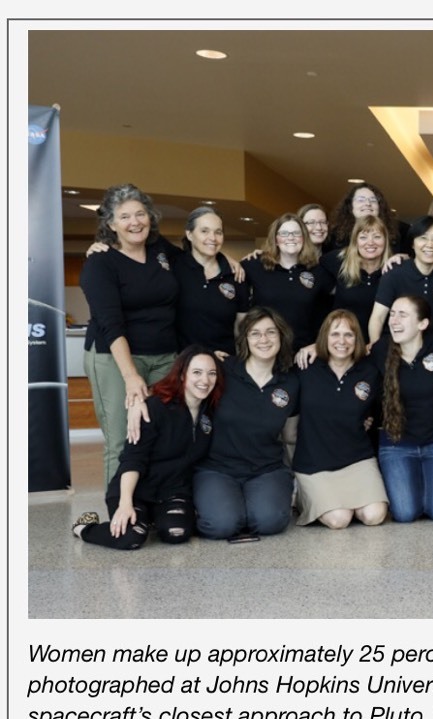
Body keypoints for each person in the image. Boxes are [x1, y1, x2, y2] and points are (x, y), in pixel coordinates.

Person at [79, 183, 180, 488]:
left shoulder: (161, 249)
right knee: (124, 437)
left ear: (150, 217)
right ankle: (119, 509)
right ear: (111, 224)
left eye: (140, 214)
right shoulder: (100, 262)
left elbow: (196, 262)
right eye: (124, 217)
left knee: (161, 434)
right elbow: (110, 324)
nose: (135, 222)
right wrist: (131, 376)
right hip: (115, 359)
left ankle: (153, 504)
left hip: (164, 356)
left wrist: (229, 261)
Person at [73, 347, 221, 550]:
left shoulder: (211, 411)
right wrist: (125, 503)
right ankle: (84, 527)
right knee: (131, 537)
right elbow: (133, 459)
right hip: (136, 490)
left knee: (177, 533)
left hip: (173, 490)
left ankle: (153, 519)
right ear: (181, 374)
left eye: (211, 373)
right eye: (197, 372)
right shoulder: (155, 408)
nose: (205, 380)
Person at [189, 307, 299, 540]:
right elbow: (184, 388)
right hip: (217, 468)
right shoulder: (223, 369)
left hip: (267, 469)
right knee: (221, 525)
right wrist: (142, 402)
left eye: (271, 332)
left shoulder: (291, 381)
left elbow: (290, 434)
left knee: (270, 521)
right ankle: (225, 507)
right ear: (245, 339)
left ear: (282, 336)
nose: (263, 339)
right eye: (255, 333)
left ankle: (246, 508)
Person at [292, 309, 388, 529]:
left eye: (348, 335)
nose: (342, 341)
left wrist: (370, 418)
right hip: (314, 464)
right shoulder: (305, 367)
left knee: (374, 515)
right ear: (324, 337)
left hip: (358, 460)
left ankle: (342, 502)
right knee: (339, 519)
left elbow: (380, 407)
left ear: (357, 339)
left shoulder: (370, 370)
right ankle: (302, 497)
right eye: (335, 334)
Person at [374, 295, 433, 523]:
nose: (394, 320)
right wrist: (314, 347)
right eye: (392, 314)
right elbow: (346, 354)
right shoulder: (381, 349)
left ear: (422, 323)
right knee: (404, 514)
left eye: (402, 315)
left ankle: (428, 487)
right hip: (396, 443)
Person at [169, 206, 251, 354]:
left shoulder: (236, 274)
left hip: (225, 361)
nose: (212, 238)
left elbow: (241, 330)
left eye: (218, 232)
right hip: (184, 361)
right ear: (189, 234)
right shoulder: (173, 267)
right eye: (204, 231)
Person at [241, 212, 328, 348]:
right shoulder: (254, 265)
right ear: (276, 239)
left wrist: (317, 346)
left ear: (304, 238)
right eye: (284, 233)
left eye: (296, 233)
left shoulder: (318, 271)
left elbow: (327, 314)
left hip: (303, 352)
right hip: (265, 349)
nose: (291, 237)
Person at [368, 215, 433, 342]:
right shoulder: (394, 273)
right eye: (423, 238)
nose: (430, 244)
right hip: (396, 343)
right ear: (412, 243)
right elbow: (378, 318)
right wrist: (375, 348)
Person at [320, 214, 392, 340]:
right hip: (342, 342)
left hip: (379, 343)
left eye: (377, 236)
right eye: (363, 237)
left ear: (385, 240)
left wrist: (404, 257)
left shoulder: (394, 269)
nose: (370, 242)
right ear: (355, 241)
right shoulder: (339, 261)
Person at [328, 181, 404, 254]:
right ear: (350, 206)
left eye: (373, 200)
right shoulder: (336, 235)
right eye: (361, 200)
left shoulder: (394, 234)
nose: (368, 203)